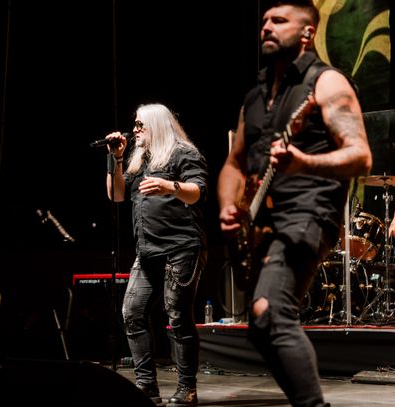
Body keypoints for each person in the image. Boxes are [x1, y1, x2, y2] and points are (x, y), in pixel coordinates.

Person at [217, 1, 372, 407]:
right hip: (262, 221)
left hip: (309, 210)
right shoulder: (255, 97)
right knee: (259, 326)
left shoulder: (326, 82)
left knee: (271, 312)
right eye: (264, 20)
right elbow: (233, 163)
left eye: (279, 20)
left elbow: (360, 156)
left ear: (307, 33)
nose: (266, 27)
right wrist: (228, 205)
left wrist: (304, 163)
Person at [105, 103, 209, 407]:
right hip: (148, 250)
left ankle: (187, 388)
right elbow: (116, 195)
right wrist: (116, 159)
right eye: (135, 124)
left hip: (181, 248)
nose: (135, 130)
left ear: (158, 124)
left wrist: (170, 186)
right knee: (132, 312)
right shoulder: (140, 159)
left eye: (141, 125)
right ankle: (146, 385)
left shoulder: (183, 153)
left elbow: (198, 191)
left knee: (178, 316)